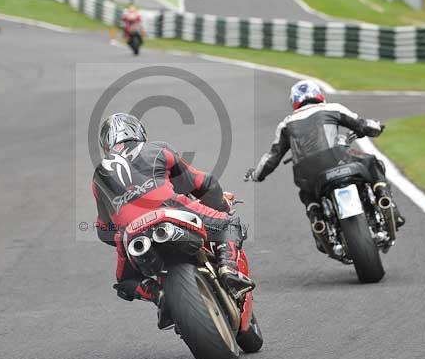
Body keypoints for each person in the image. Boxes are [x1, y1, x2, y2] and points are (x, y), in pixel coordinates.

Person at [92, 113, 254, 304]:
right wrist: (222, 205)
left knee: (126, 282)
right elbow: (203, 183)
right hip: (170, 209)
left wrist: (123, 229)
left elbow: (103, 230)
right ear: (138, 132)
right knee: (229, 225)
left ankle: (158, 295)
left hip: (131, 232)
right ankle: (228, 269)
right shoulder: (158, 149)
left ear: (106, 144)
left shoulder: (98, 176)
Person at [245, 80, 405, 235]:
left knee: (306, 192)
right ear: (319, 95)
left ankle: (317, 220)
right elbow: (364, 125)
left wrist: (256, 175)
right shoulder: (333, 108)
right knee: (372, 161)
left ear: (294, 102)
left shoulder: (286, 124)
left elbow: (272, 158)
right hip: (337, 159)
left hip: (307, 171)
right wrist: (376, 127)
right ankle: (384, 199)